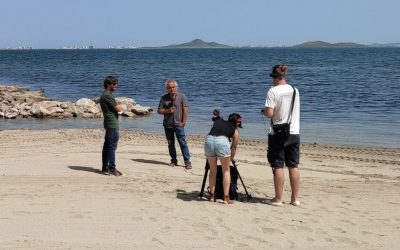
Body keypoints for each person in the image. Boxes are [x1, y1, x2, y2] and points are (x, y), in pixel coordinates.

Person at [263, 64, 301, 206]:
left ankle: (278, 198)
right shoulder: (294, 90)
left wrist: (264, 111)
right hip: (294, 131)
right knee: (294, 165)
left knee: (278, 165)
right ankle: (294, 199)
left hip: (278, 133)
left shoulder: (273, 91)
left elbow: (270, 113)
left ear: (275, 77)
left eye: (272, 78)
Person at [204, 113, 241, 204]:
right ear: (238, 123)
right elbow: (234, 147)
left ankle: (212, 196)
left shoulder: (218, 121)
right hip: (222, 141)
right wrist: (231, 158)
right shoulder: (235, 131)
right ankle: (226, 198)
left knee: (212, 170)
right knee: (226, 170)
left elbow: (213, 130)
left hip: (209, 139)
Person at [157, 79, 192, 169]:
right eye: (169, 88)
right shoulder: (164, 98)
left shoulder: (182, 96)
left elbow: (185, 109)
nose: (172, 89)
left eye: (173, 87)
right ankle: (173, 160)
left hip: (178, 124)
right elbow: (159, 111)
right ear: (167, 88)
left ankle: (187, 161)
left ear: (176, 87)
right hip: (168, 124)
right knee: (170, 143)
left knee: (182, 142)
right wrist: (167, 110)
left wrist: (184, 121)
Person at [100, 75, 124, 176]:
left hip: (110, 123)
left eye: (116, 83)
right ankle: (112, 168)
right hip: (111, 123)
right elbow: (119, 109)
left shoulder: (107, 95)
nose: (116, 85)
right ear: (108, 84)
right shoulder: (107, 95)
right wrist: (122, 107)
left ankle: (105, 168)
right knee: (111, 146)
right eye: (114, 84)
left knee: (108, 146)